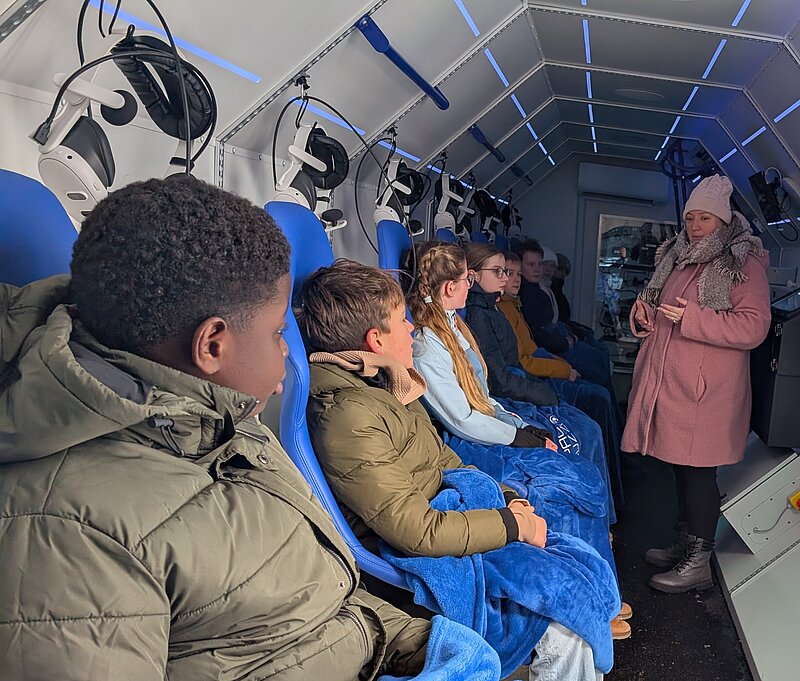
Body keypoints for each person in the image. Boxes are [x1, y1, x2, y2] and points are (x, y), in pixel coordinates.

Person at [0, 176, 435, 680]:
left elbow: (320, 590)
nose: (287, 351)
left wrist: (418, 642)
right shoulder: (64, 539)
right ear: (212, 346)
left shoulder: (224, 421)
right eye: (278, 333)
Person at [296, 259, 611, 680]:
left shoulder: (385, 385)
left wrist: (508, 499)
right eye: (401, 321)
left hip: (452, 515)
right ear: (375, 340)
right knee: (566, 629)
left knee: (578, 570)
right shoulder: (348, 416)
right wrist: (511, 526)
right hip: (418, 552)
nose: (411, 328)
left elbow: (445, 459)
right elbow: (416, 531)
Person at [622, 174, 771, 593]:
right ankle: (688, 542)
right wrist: (645, 316)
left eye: (705, 218)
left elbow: (754, 327)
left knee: (700, 475)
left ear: (723, 221)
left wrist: (693, 318)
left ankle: (699, 562)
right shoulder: (680, 258)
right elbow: (665, 311)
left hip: (706, 393)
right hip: (675, 388)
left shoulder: (741, 263)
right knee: (681, 470)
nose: (695, 226)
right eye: (691, 218)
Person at [471, 247, 625, 510]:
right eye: (500, 272)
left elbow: (524, 355)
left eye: (510, 272)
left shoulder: (499, 307)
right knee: (587, 429)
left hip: (524, 383)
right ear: (472, 276)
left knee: (590, 420)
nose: (509, 279)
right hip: (516, 391)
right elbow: (504, 376)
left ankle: (609, 499)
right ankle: (601, 507)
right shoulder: (483, 314)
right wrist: (548, 390)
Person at [517, 239, 616, 398]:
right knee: (598, 374)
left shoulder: (540, 288)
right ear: (519, 266)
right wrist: (564, 342)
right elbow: (536, 334)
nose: (538, 269)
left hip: (556, 342)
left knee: (600, 359)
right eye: (531, 265)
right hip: (550, 349)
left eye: (539, 264)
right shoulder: (525, 293)